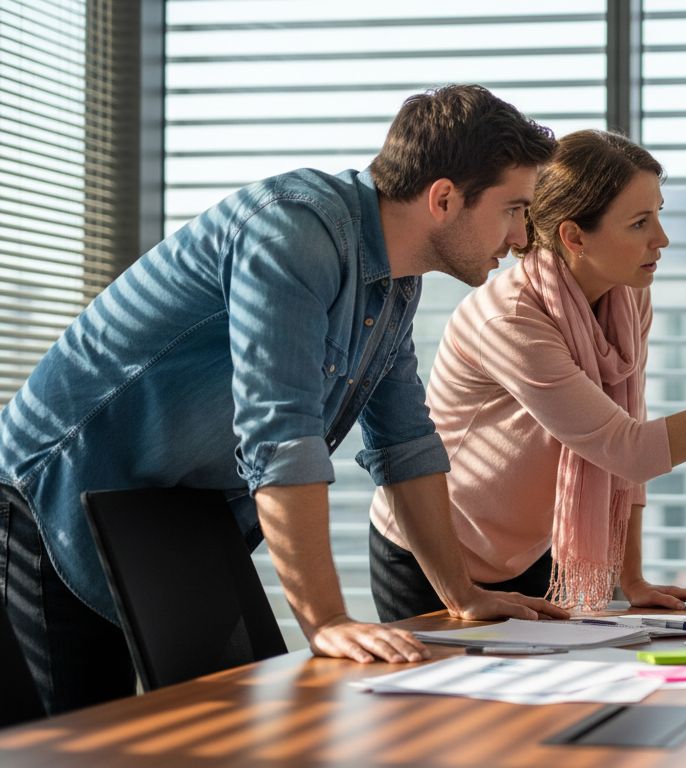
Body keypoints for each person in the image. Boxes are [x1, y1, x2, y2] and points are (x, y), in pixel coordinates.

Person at [0, 85, 570, 716]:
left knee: (212, 728)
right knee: (70, 740)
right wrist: (326, 620)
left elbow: (405, 443)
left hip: (175, 513)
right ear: (443, 199)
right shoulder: (294, 228)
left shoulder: (394, 285)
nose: (522, 237)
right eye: (513, 210)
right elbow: (279, 437)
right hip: (53, 493)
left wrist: (461, 594)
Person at [369, 130, 686, 620]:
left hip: (531, 554)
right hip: (434, 557)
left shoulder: (628, 298)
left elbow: (627, 435)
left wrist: (633, 580)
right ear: (574, 236)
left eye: (659, 215)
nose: (662, 239)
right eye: (639, 223)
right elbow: (630, 450)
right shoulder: (511, 320)